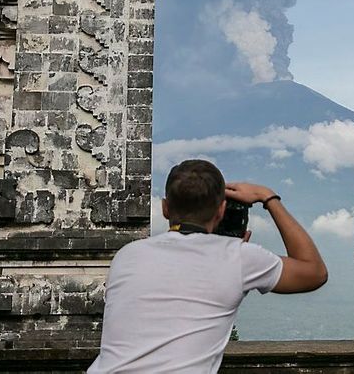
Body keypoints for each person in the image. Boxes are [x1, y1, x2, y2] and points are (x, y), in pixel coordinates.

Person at [88, 159, 328, 373]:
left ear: (164, 208)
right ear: (221, 210)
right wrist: (268, 197)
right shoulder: (238, 258)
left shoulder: (127, 255)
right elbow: (314, 272)